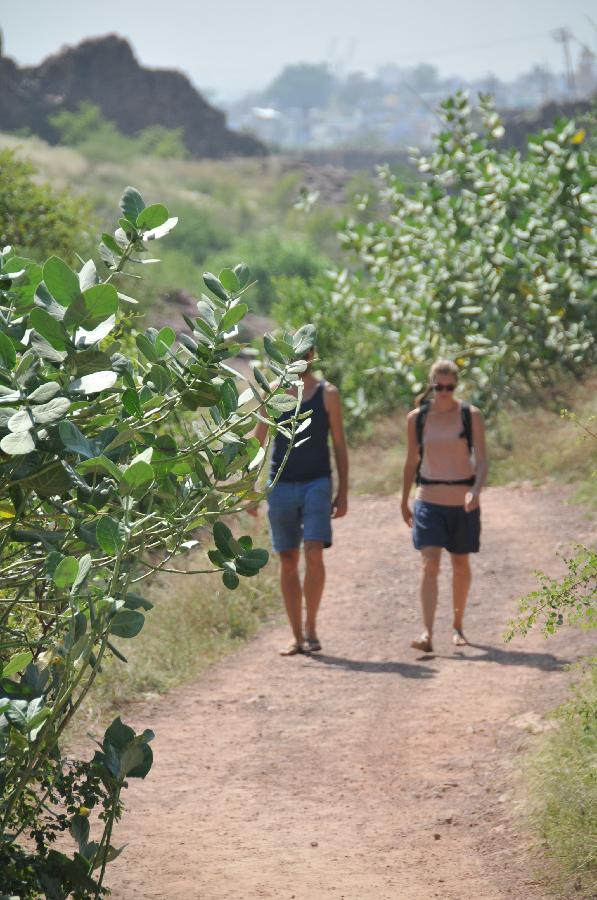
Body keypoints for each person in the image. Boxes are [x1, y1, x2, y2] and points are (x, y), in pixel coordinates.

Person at [253, 331, 349, 656]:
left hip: (317, 483)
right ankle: (297, 636)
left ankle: (311, 627)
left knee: (314, 552)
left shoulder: (327, 394)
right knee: (289, 559)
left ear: (311, 356)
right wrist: (248, 491)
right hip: (280, 484)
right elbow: (258, 442)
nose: (298, 360)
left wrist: (344, 491)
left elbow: (339, 444)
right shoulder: (273, 393)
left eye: (303, 354)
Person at [401, 360, 487, 653]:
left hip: (462, 501)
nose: (445, 393)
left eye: (450, 387)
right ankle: (426, 632)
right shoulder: (417, 418)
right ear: (431, 385)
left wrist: (475, 491)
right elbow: (411, 460)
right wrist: (404, 500)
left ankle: (458, 626)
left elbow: (483, 459)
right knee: (430, 563)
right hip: (428, 499)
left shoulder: (470, 415)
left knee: (461, 564)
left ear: (456, 386)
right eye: (439, 387)